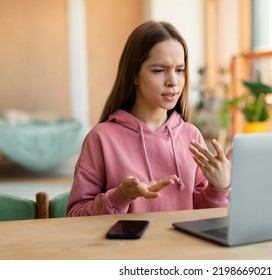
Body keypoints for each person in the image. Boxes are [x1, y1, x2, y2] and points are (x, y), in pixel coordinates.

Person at [66, 21, 231, 216]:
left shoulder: (190, 134)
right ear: (134, 75)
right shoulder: (101, 137)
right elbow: (75, 216)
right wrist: (121, 196)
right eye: (159, 70)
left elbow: (202, 217)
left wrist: (218, 189)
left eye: (179, 70)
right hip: (127, 247)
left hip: (182, 246)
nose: (173, 82)